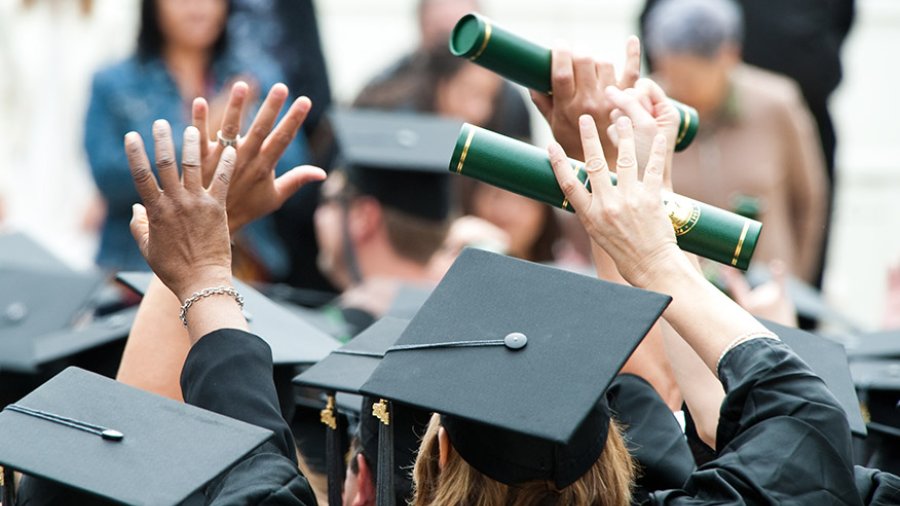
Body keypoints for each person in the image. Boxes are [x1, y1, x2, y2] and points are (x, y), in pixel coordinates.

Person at [85, 0, 308, 277]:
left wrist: (224, 146)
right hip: (139, 268)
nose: (198, 7)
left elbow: (290, 166)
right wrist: (203, 136)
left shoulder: (256, 76)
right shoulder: (114, 81)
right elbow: (110, 177)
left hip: (243, 264)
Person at [641, 0, 828, 285]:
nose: (678, 87)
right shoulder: (644, 112)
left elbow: (809, 203)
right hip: (678, 300)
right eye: (669, 72)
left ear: (729, 55)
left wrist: (793, 285)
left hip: (765, 297)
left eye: (692, 76)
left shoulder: (777, 105)